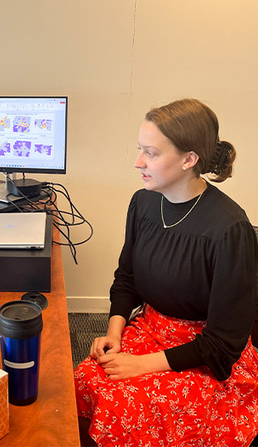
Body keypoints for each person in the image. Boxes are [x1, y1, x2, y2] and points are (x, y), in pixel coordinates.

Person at [75, 99, 258, 446]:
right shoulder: (144, 202)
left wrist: (142, 365)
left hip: (202, 353)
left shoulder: (229, 228)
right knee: (86, 376)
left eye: (151, 153)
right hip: (150, 328)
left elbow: (223, 344)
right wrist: (116, 331)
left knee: (127, 402)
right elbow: (126, 277)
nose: (138, 162)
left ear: (189, 160)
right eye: (139, 150)